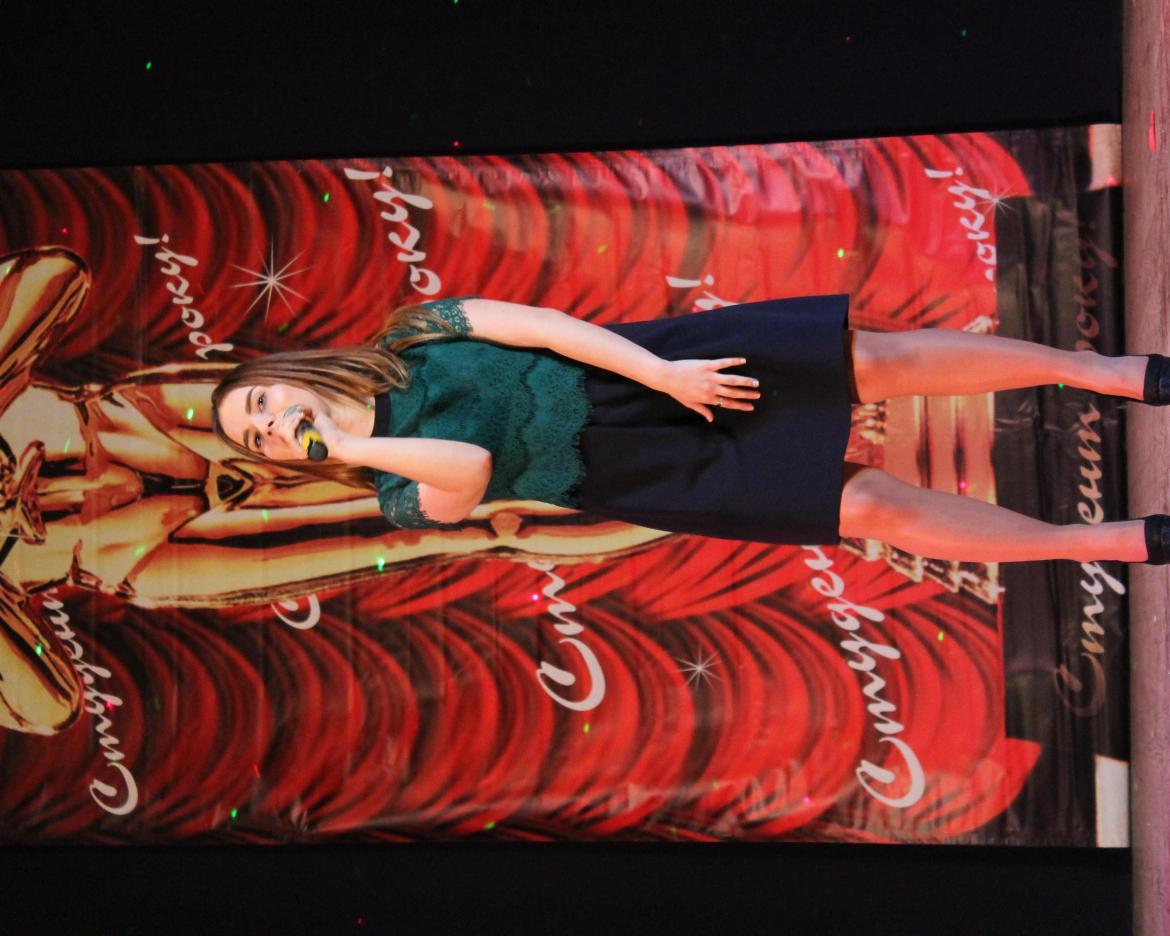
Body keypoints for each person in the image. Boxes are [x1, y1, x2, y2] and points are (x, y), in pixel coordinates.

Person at [213, 295, 1170, 565]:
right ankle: (1105, 544)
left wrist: (663, 371)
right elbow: (467, 463)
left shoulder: (417, 330)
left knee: (873, 363)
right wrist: (344, 447)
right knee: (868, 508)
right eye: (255, 439)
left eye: (256, 404)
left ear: (280, 375)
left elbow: (544, 328)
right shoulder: (392, 494)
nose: (265, 427)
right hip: (635, 471)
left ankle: (1102, 373)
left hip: (641, 371)